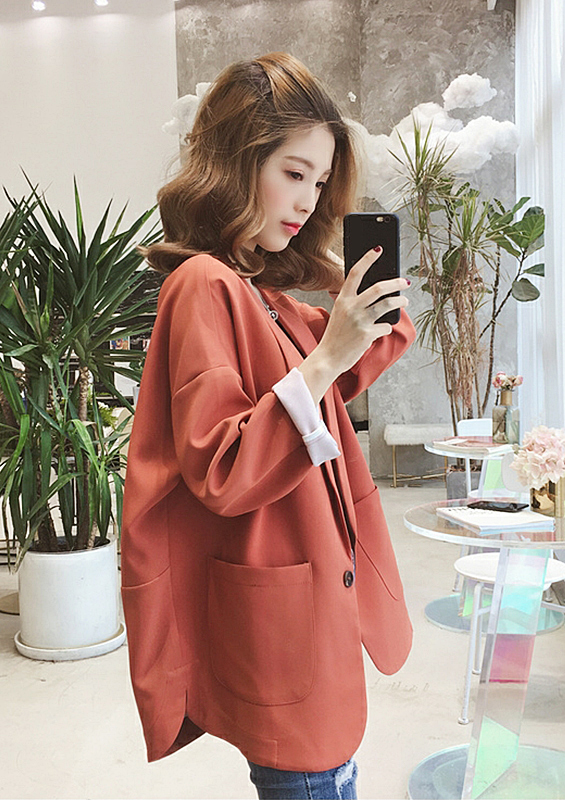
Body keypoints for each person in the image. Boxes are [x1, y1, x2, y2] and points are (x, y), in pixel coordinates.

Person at [121, 52, 415, 800]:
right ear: (237, 161)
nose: (307, 199)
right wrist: (327, 355)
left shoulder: (260, 297)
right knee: (314, 775)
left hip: (306, 604)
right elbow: (221, 467)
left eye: (320, 183)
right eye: (293, 173)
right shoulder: (204, 287)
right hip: (282, 623)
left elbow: (377, 343)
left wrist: (329, 272)